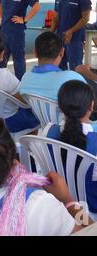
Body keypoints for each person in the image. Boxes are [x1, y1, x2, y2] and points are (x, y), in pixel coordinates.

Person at [42, 80, 97, 214]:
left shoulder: (47, 131)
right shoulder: (94, 140)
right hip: (90, 210)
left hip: (59, 201)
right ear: (91, 106)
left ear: (60, 107)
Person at [0, 0, 40, 80]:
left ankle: (20, 84)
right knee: (1, 59)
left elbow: (36, 5)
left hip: (16, 32)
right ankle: (0, 82)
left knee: (18, 60)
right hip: (4, 31)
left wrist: (25, 19)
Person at [20, 32, 86, 100]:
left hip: (36, 111)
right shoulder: (72, 78)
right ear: (62, 52)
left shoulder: (26, 78)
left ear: (35, 53)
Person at [50, 0, 91, 70]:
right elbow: (55, 17)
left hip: (75, 40)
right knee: (59, 67)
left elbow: (86, 18)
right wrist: (50, 33)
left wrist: (71, 31)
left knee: (76, 68)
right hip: (60, 39)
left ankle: (76, 85)